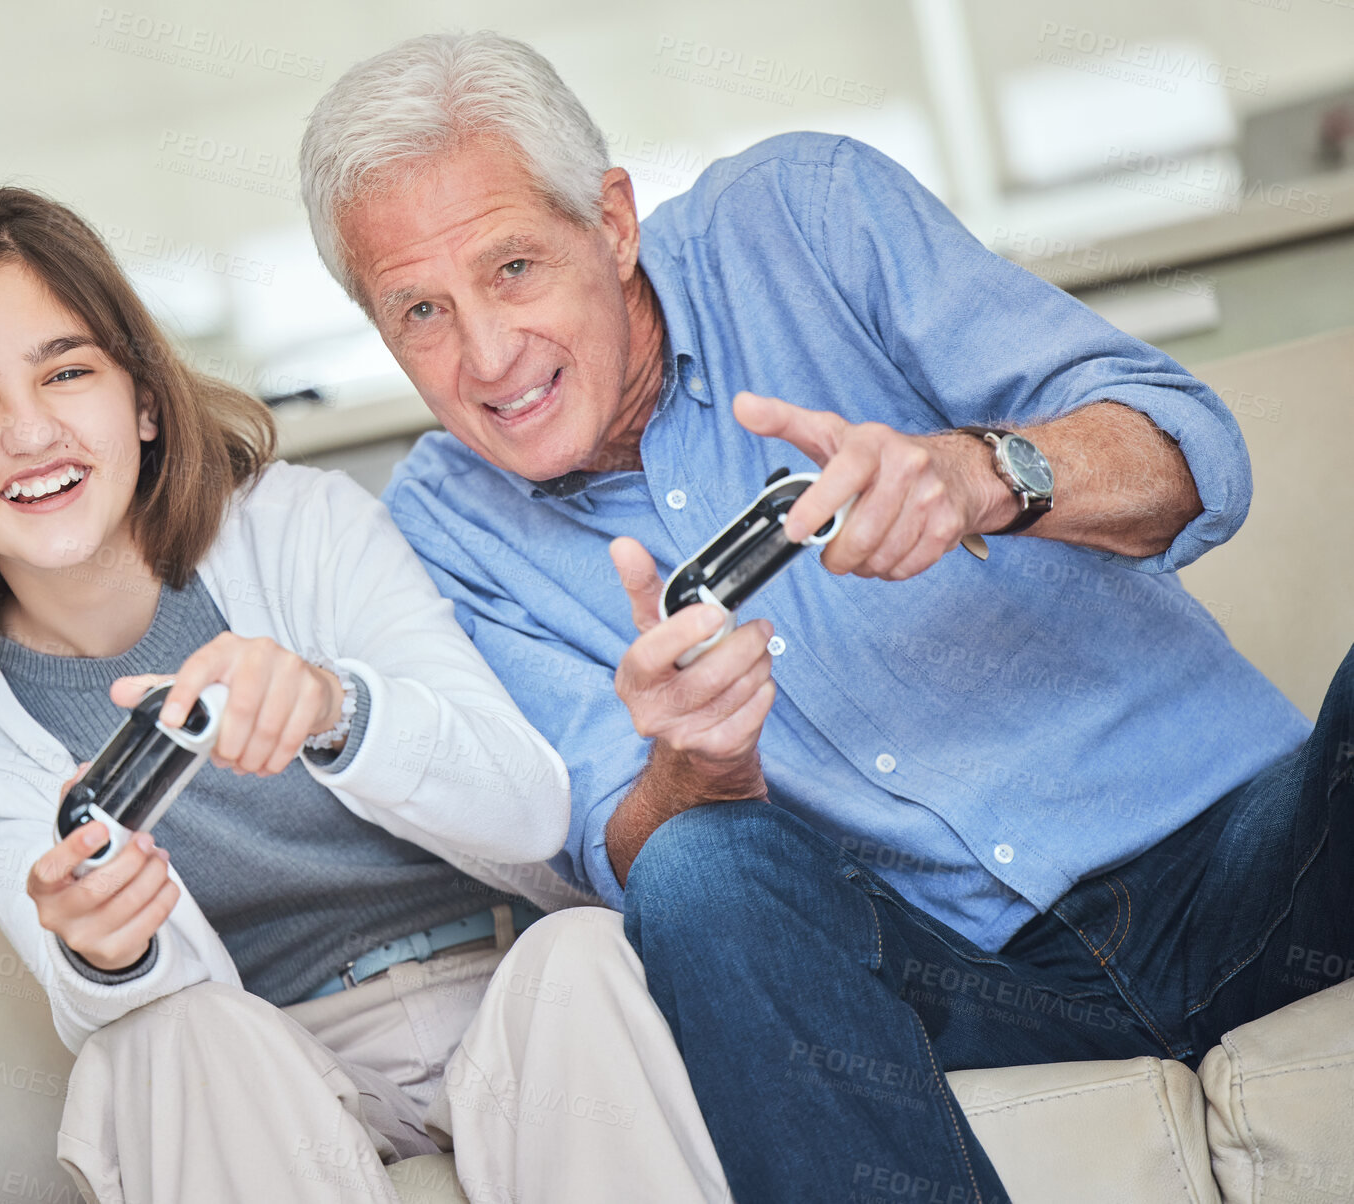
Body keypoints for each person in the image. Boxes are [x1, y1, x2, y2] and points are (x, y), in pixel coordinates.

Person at [300, 30, 1353, 1202]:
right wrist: (689, 765)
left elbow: (1191, 455)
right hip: (946, 982)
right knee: (695, 872)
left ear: (608, 222)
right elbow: (615, 844)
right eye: (418, 313)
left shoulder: (803, 216)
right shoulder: (446, 525)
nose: (488, 357)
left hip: (1253, 859)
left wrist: (977, 476)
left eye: (511, 270)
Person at [0, 186, 731, 1203]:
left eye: (68, 371)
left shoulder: (301, 528)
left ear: (140, 398)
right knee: (163, 1039)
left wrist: (332, 708)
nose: (29, 431)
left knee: (582, 950)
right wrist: (104, 946)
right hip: (268, 1071)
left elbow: (529, 808)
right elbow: (123, 1010)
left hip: (510, 998)